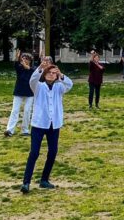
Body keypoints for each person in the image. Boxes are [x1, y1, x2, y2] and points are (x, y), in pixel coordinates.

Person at [20, 60, 73, 193]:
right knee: (34, 152)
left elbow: (70, 84)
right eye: (49, 72)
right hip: (39, 124)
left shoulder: (59, 87)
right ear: (44, 74)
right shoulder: (38, 86)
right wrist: (40, 68)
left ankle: (44, 179)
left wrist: (61, 74)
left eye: (54, 73)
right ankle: (26, 182)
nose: (51, 75)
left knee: (53, 151)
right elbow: (32, 80)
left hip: (54, 124)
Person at [5, 49, 34, 137]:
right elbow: (16, 64)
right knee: (15, 110)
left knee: (27, 111)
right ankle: (10, 130)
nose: (24, 60)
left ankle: (25, 130)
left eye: (26, 59)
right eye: (23, 58)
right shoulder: (19, 67)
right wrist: (17, 58)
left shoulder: (33, 69)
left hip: (30, 92)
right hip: (19, 92)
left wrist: (27, 67)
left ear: (30, 61)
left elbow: (33, 70)